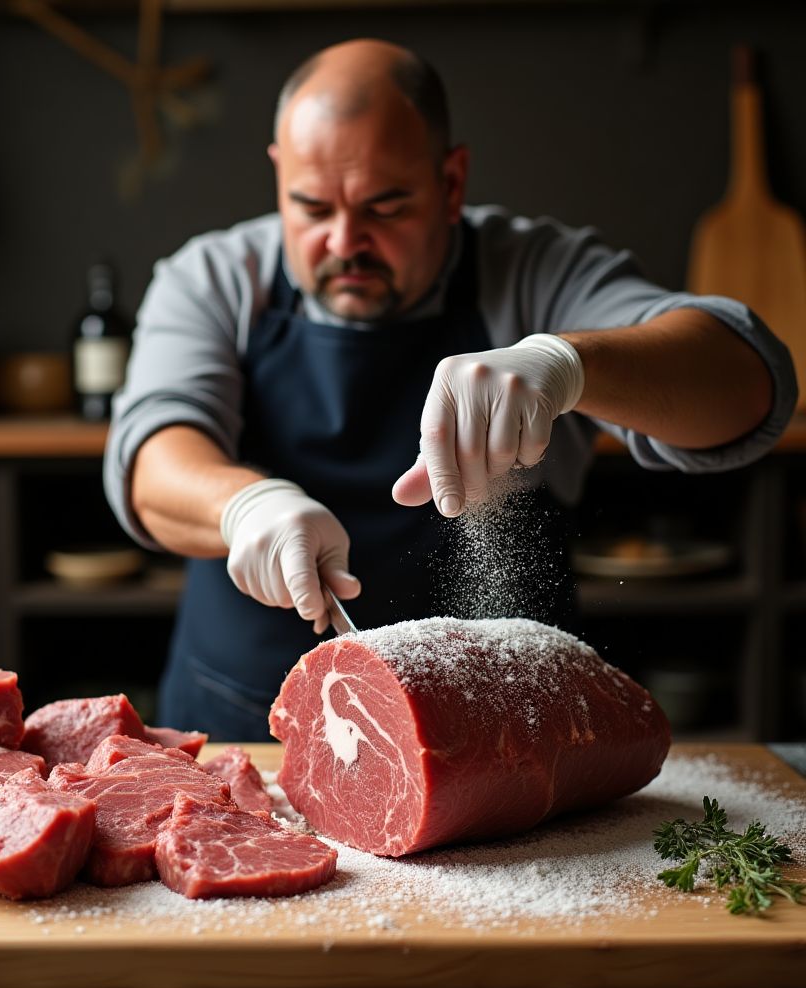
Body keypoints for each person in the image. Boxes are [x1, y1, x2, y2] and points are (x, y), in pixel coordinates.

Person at [104, 38, 797, 740]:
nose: (347, 241)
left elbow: (749, 383)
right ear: (278, 174)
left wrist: (569, 363)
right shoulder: (215, 278)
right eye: (312, 207)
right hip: (249, 727)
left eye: (387, 206)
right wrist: (242, 505)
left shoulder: (530, 271)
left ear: (453, 181)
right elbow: (152, 457)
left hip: (504, 733)